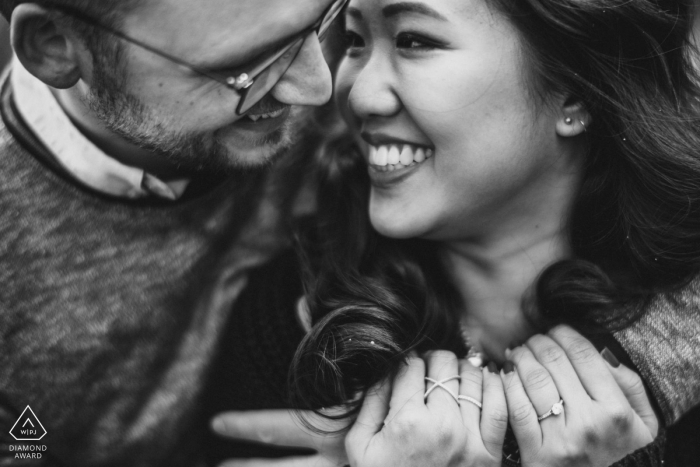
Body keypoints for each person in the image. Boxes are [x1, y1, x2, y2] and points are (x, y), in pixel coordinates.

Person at [212, 0, 700, 466]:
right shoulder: (302, 325)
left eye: (414, 40)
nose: (359, 94)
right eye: (356, 41)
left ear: (575, 91)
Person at [0, 0, 341, 465]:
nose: (317, 87)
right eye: (244, 67)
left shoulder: (356, 61)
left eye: (321, 18)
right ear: (54, 47)